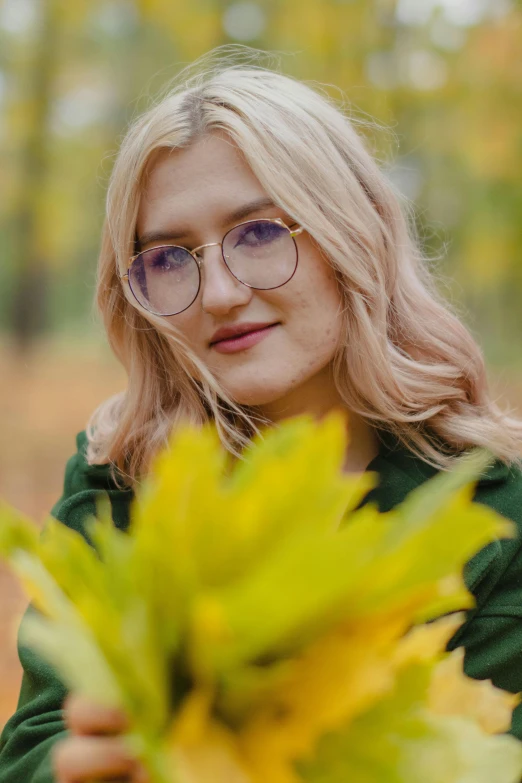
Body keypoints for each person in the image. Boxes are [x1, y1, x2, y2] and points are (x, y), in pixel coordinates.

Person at [1, 47, 522, 783]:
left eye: (259, 233)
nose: (217, 292)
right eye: (170, 257)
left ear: (352, 231)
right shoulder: (120, 489)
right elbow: (33, 749)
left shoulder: (496, 506)